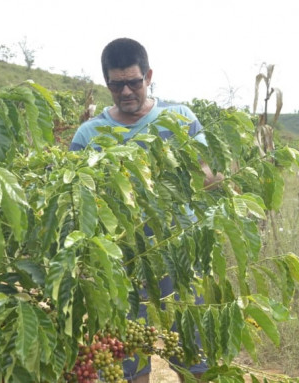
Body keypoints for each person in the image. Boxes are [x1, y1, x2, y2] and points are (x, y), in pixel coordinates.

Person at [69, 37, 214, 383]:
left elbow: (211, 173)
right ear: (107, 83)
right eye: (117, 85)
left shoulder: (179, 119)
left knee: (193, 357)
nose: (126, 92)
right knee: (128, 361)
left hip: (179, 260)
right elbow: (75, 200)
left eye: (134, 82)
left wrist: (176, 178)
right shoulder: (89, 134)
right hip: (124, 267)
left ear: (149, 76)